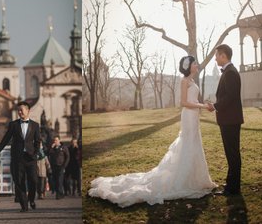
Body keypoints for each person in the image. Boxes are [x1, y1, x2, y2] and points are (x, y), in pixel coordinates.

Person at [88, 56, 217, 207]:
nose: (197, 65)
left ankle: (196, 178)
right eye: (194, 63)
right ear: (189, 66)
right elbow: (183, 102)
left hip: (194, 116)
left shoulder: (193, 82)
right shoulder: (184, 81)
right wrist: (202, 106)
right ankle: (184, 178)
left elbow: (193, 100)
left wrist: (203, 106)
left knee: (194, 142)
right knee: (188, 142)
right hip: (188, 116)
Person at [207, 44, 244, 196]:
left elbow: (230, 97)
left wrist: (215, 106)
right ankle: (231, 183)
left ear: (223, 56)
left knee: (232, 153)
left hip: (230, 120)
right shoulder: (229, 72)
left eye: (217, 56)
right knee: (231, 153)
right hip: (229, 119)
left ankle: (233, 188)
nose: (215, 58)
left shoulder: (230, 73)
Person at [0, 101, 40, 212]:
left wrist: (35, 153)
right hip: (17, 158)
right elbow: (5, 139)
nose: (19, 112)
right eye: (18, 110)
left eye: (21, 110)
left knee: (33, 180)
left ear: (28, 110)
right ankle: (24, 206)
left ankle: (31, 199)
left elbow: (38, 141)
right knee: (19, 182)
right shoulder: (13, 125)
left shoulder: (35, 125)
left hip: (30, 158)